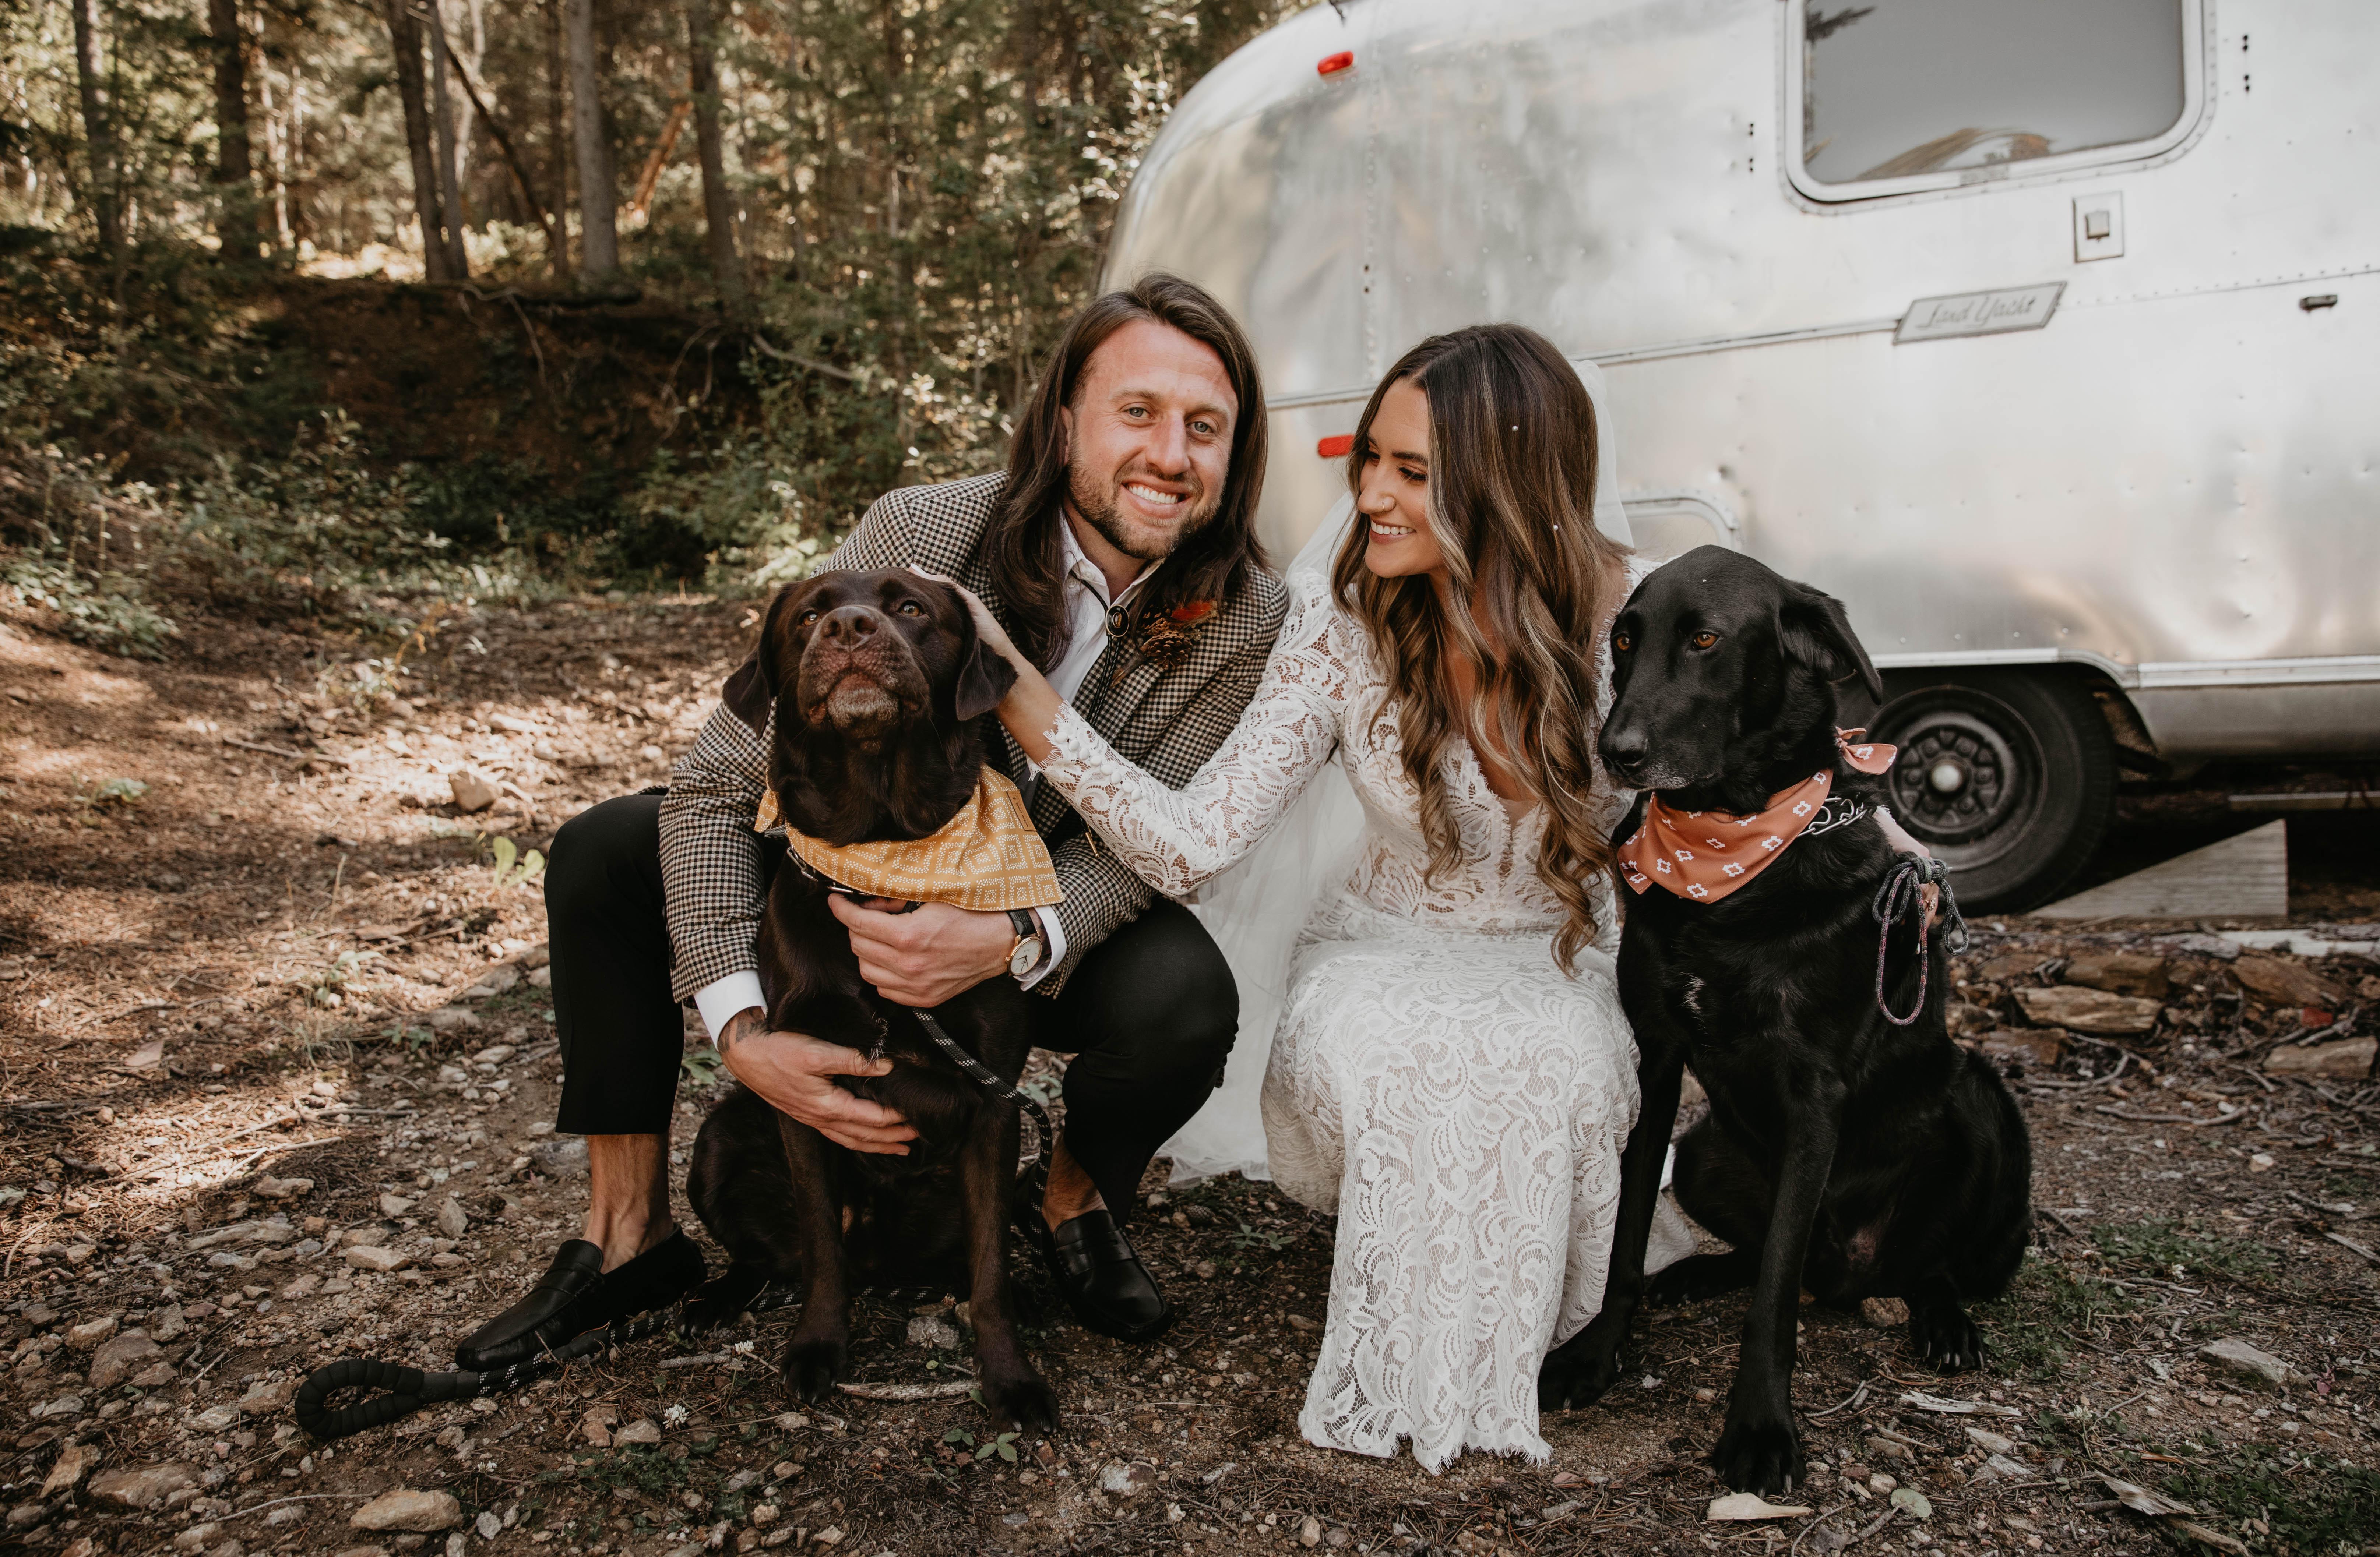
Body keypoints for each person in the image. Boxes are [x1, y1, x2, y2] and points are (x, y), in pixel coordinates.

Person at [453, 273, 1289, 1370]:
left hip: (1037, 908)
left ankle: (1071, 1204)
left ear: (1236, 452)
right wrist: (744, 1034)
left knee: (1186, 997)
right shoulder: (924, 529)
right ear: (1063, 423)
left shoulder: (1247, 617)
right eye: (1137, 412)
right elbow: (714, 786)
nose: (1169, 455)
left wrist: (1009, 938)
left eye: (1204, 427)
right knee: (606, 852)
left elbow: (1153, 844)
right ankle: (627, 1234)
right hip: (838, 880)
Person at [961, 322, 1687, 1470]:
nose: (1372, 497)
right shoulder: (1342, 625)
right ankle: (1425, 1366)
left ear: (1508, 484)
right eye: (1371, 460)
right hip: (1384, 943)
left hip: (1562, 951)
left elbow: (1771, 765)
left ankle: (1500, 1352)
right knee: (1402, 1061)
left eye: (1413, 472)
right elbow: (1195, 844)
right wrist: (1026, 704)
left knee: (1551, 1064)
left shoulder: (1641, 618)